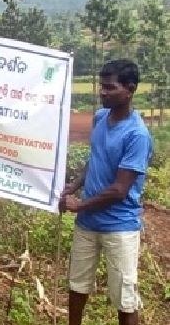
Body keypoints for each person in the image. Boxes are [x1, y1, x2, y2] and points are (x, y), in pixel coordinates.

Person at [60, 59, 153, 325]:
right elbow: (96, 158)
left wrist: (80, 205)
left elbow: (120, 190)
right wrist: (75, 185)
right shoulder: (100, 118)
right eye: (102, 86)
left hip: (119, 227)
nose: (102, 92)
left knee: (124, 299)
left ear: (130, 89)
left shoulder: (137, 135)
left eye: (110, 88)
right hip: (88, 224)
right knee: (77, 285)